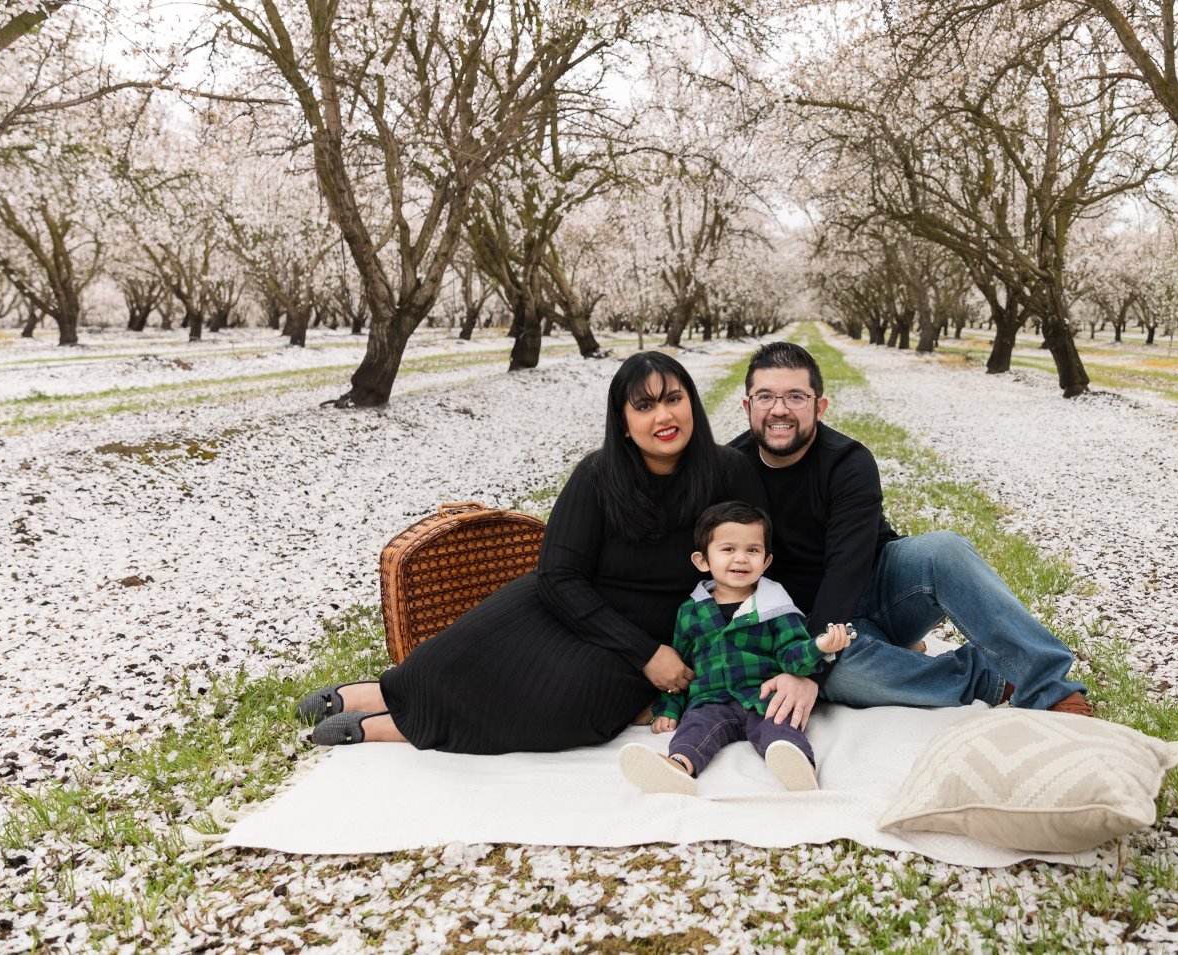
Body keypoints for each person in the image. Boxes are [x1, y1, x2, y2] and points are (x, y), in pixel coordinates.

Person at [294, 352, 766, 752]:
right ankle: (377, 692)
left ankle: (389, 726)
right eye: (643, 406)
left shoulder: (729, 472)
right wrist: (643, 653)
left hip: (665, 631)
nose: (662, 417)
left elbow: (752, 566)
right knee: (454, 658)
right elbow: (559, 575)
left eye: (673, 399)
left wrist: (662, 655)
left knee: (567, 705)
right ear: (624, 423)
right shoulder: (599, 474)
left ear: (691, 403)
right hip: (574, 606)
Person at [727, 341, 1090, 730]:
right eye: (765, 396)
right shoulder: (728, 469)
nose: (779, 409)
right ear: (748, 407)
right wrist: (809, 657)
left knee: (943, 549)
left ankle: (1049, 684)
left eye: (795, 396)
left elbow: (846, 570)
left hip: (880, 589)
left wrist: (808, 667)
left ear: (820, 406)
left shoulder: (848, 462)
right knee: (843, 674)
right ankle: (991, 676)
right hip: (802, 620)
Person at [618, 501, 852, 796]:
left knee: (781, 726)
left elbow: (793, 657)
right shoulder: (691, 611)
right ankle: (677, 767)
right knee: (695, 728)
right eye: (728, 549)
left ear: (766, 561)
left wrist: (817, 646)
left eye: (752, 550)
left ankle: (799, 766)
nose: (741, 559)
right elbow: (682, 667)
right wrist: (670, 707)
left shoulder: (775, 607)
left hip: (763, 697)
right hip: (711, 700)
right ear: (703, 561)